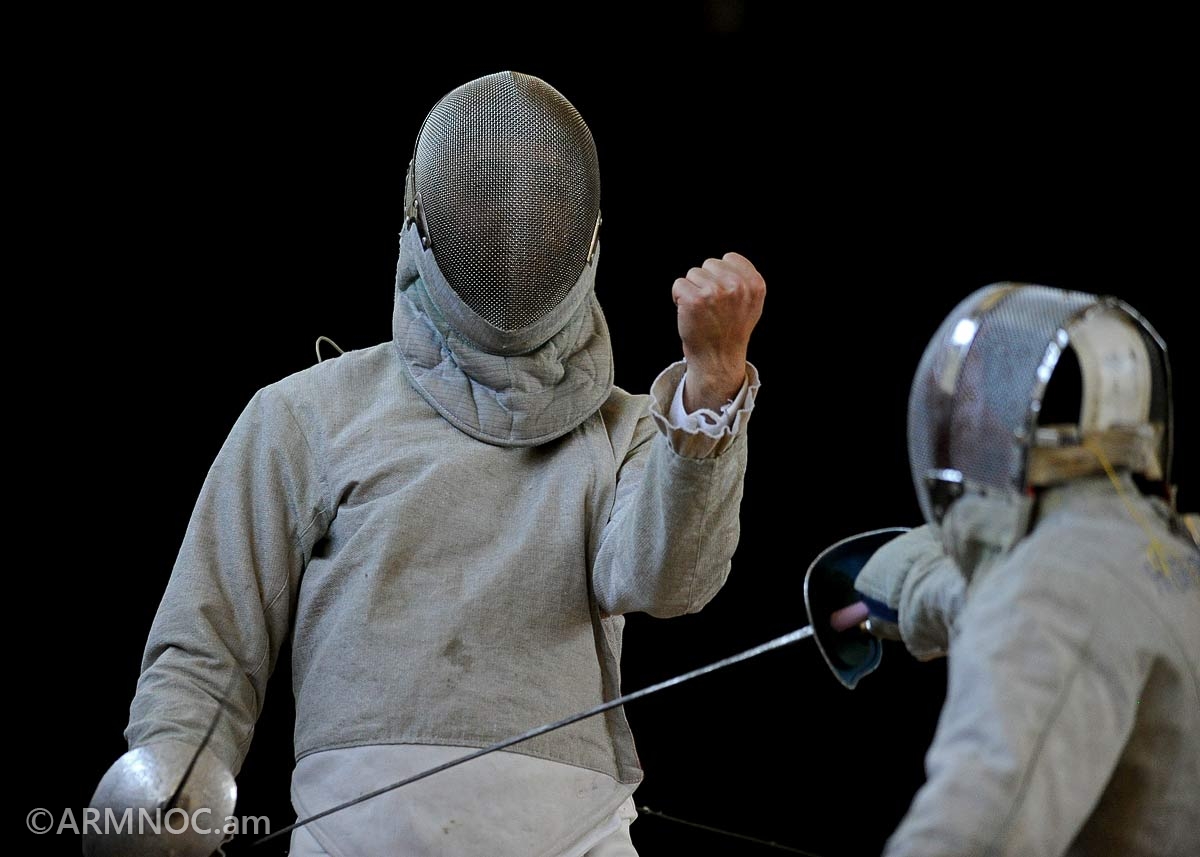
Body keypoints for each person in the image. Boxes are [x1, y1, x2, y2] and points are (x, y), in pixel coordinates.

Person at [85, 71, 765, 857]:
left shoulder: (631, 428)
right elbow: (208, 645)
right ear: (426, 220)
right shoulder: (310, 413)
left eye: (541, 207)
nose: (513, 226)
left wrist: (710, 392)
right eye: (485, 202)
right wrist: (168, 789)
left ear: (584, 235)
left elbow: (669, 581)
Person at [850, 283, 1199, 856]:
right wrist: (917, 583)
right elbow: (1038, 601)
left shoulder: (1052, 593)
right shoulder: (1161, 545)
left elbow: (973, 838)